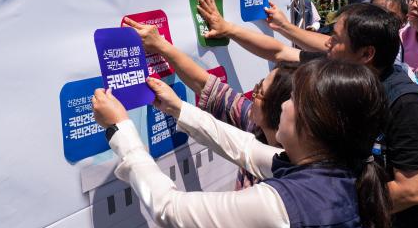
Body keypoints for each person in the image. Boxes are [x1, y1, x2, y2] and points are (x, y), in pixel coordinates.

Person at [196, 0, 418, 228]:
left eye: (335, 39)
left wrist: (327, 204)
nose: (327, 44)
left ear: (366, 54)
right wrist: (227, 28)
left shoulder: (407, 104)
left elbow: (412, 190)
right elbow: (278, 52)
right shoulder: (341, 77)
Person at [92, 59, 392, 228]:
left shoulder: (279, 206)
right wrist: (178, 108)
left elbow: (170, 210)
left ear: (314, 123)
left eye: (293, 99)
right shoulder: (339, 170)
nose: (283, 104)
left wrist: (122, 131)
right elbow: (245, 148)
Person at [122, 16, 298, 189]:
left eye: (260, 92)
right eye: (258, 85)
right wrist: (161, 45)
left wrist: (120, 129)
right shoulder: (256, 125)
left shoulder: (287, 185)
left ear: (281, 111)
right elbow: (207, 86)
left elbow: (171, 206)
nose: (252, 94)